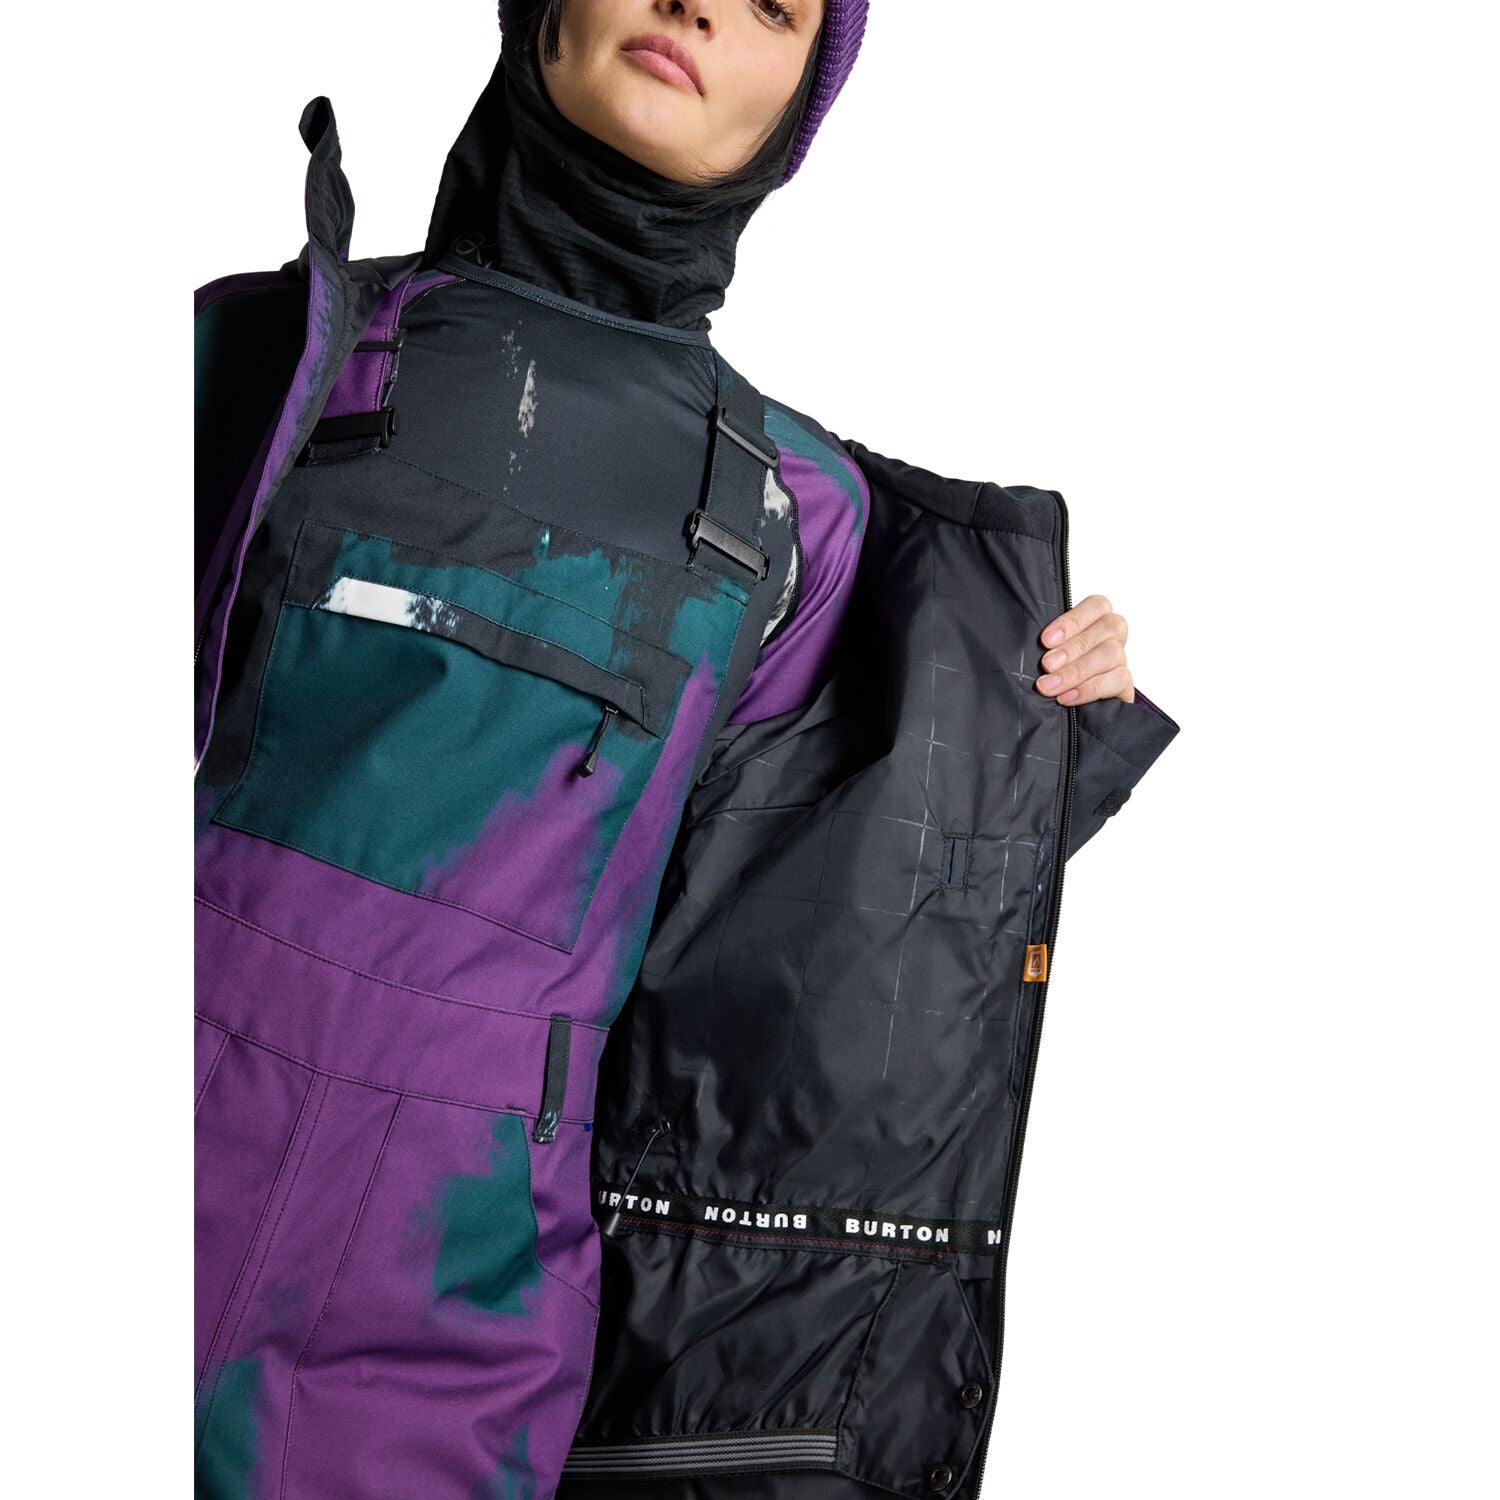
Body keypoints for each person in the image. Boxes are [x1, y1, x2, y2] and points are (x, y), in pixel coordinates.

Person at [193, 4, 1179, 1497]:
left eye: (776, 6)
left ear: (796, 111)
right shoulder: (272, 353)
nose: (701, 5)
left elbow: (835, 931)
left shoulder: (798, 521)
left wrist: (1025, 723)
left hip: (448, 1318)